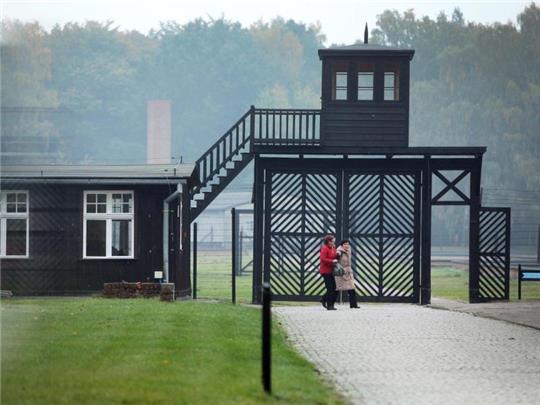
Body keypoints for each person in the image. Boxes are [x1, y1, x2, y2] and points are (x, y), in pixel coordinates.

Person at [335, 240, 359, 309]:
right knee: (337, 288)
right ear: (342, 245)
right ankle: (326, 300)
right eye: (345, 244)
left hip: (348, 272)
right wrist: (337, 255)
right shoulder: (339, 251)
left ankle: (353, 305)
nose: (347, 245)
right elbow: (337, 255)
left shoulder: (349, 250)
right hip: (341, 272)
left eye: (347, 244)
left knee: (352, 289)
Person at [319, 234, 338, 310]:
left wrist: (337, 255)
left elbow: (334, 256)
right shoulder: (325, 248)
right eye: (332, 241)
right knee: (330, 288)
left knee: (334, 288)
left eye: (334, 241)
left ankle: (324, 299)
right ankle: (330, 306)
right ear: (328, 241)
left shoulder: (333, 247)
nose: (334, 242)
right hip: (325, 271)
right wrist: (332, 261)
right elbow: (323, 259)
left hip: (332, 271)